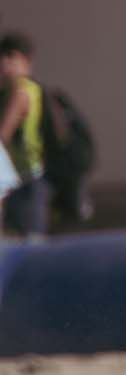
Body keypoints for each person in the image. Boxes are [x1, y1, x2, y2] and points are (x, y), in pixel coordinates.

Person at [0, 33, 43, 238]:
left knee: (25, 242)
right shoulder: (33, 89)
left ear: (26, 61)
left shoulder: (19, 92)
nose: (4, 62)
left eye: (11, 56)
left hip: (24, 177)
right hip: (29, 174)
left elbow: (3, 135)